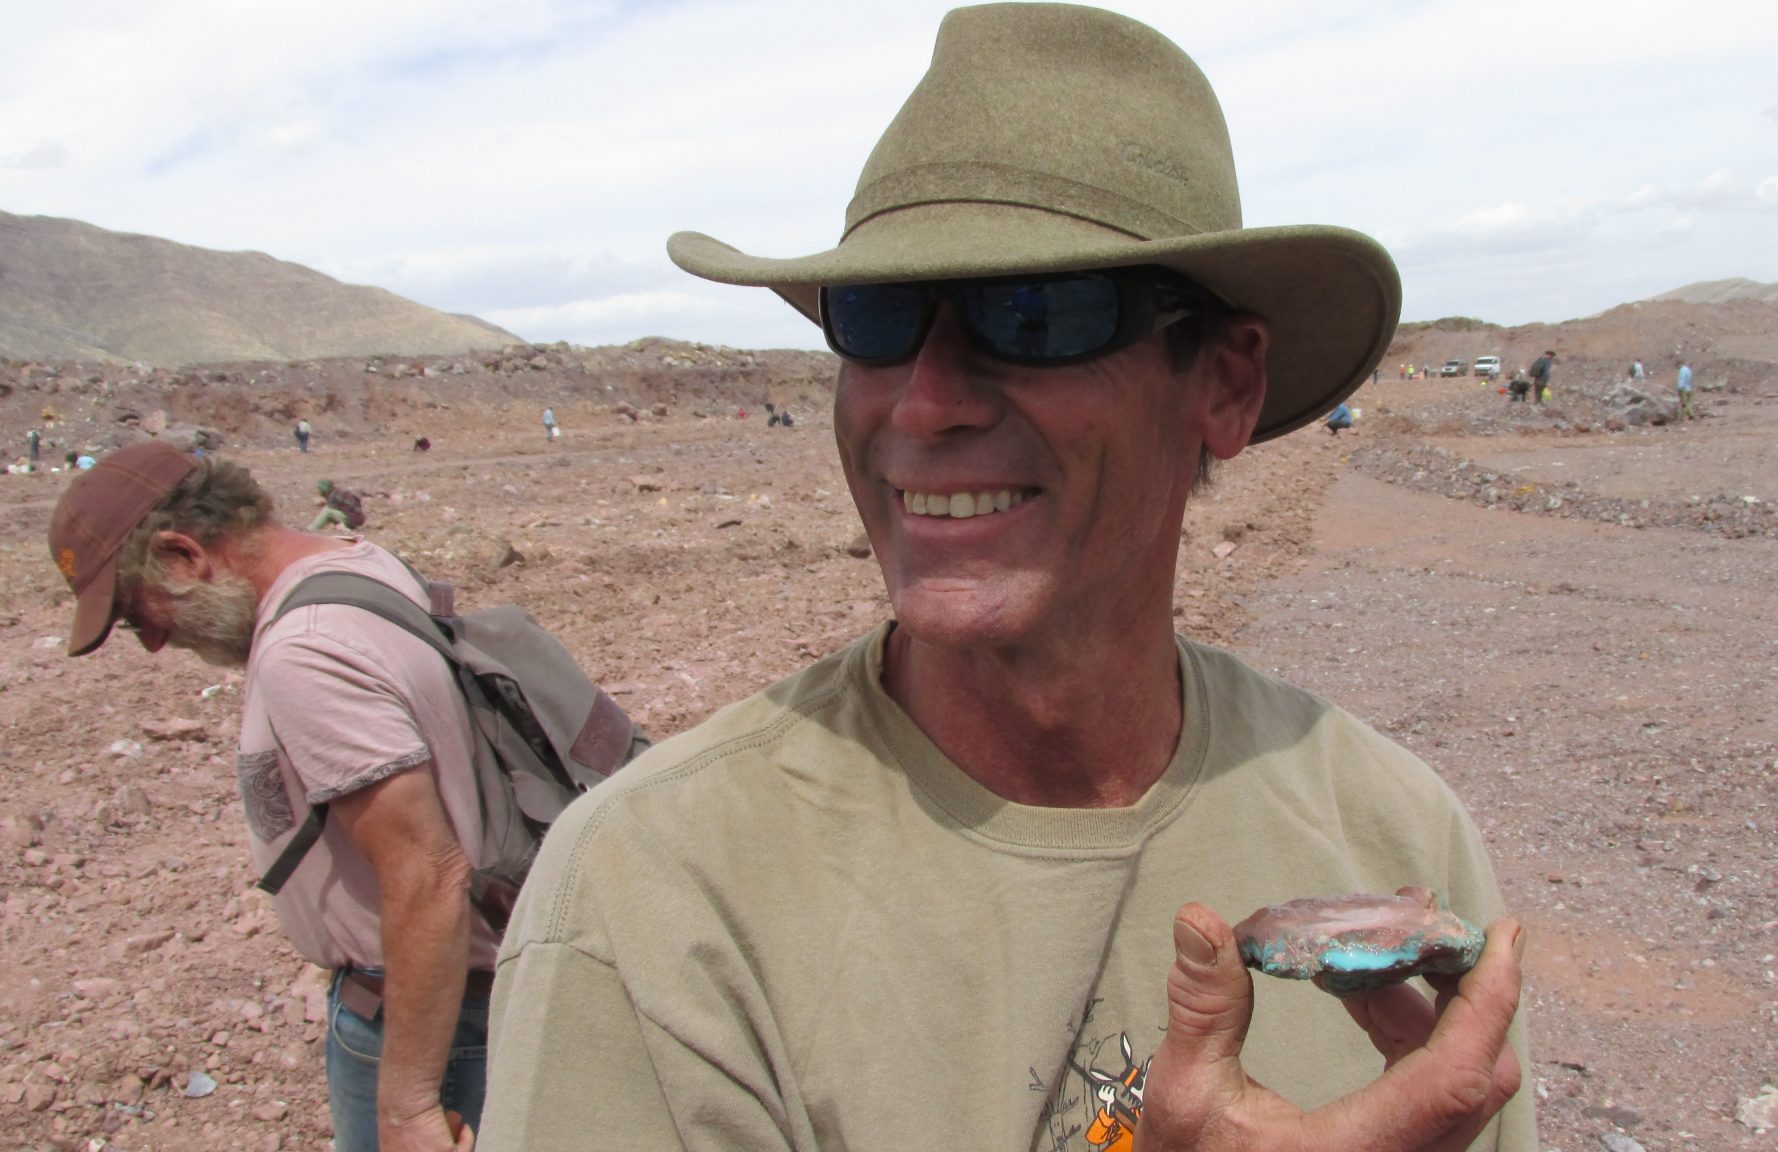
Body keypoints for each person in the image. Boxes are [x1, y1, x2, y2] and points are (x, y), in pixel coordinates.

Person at [481, 6, 1533, 1152]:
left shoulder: (1388, 838)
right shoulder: (654, 900)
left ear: (1223, 386)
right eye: (876, 318)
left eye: (1035, 312)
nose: (924, 402)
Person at [47, 443, 494, 1152]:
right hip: (463, 1003)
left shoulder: (304, 649)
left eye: (137, 614)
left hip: (429, 1020)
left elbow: (427, 873)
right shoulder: (354, 562)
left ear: (183, 555)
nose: (156, 642)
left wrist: (408, 1106)